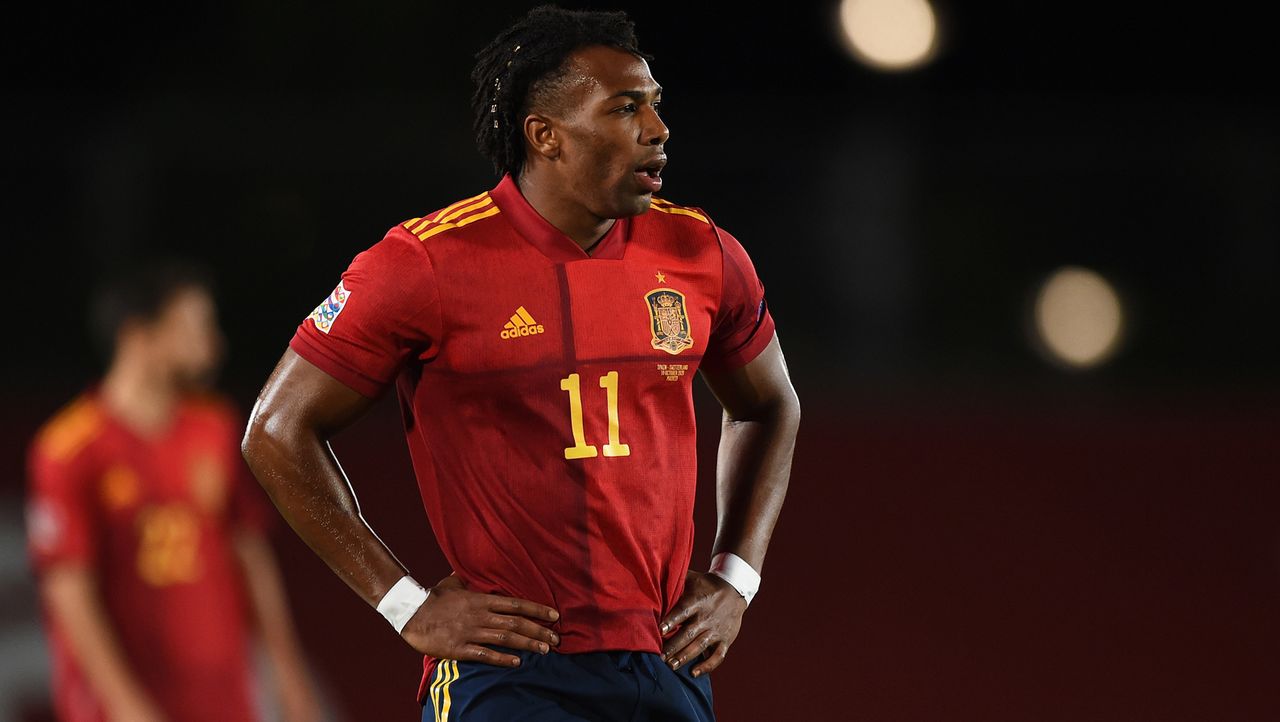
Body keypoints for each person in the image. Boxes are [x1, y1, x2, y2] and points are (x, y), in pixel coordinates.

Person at [241, 5, 800, 720]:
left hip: (665, 660)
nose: (657, 129)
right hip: (509, 673)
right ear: (545, 135)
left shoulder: (703, 253)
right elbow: (276, 429)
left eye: (655, 105)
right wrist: (404, 602)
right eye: (625, 108)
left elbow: (769, 405)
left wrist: (737, 579)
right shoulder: (424, 263)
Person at [26, 263, 321, 722]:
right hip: (122, 706)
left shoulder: (216, 427)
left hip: (221, 700)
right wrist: (124, 705)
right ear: (138, 335)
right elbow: (68, 589)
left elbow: (248, 549)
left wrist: (287, 670)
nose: (213, 343)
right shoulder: (69, 449)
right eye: (194, 326)